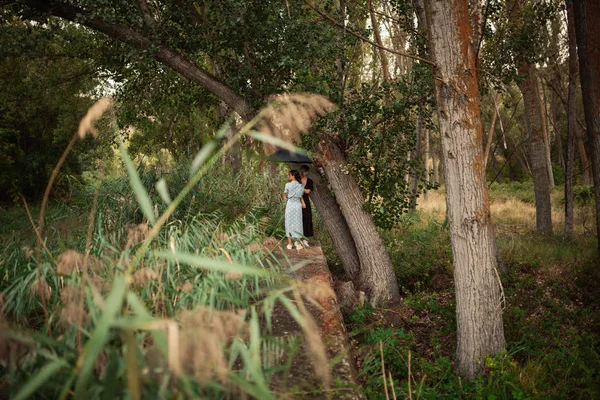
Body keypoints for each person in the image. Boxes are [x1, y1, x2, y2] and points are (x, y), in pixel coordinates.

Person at [284, 170, 306, 250]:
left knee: (289, 222)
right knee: (298, 222)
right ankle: (298, 243)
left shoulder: (287, 185)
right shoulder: (301, 186)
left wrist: (287, 196)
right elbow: (300, 196)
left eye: (289, 175)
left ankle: (290, 244)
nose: (288, 176)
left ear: (293, 176)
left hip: (290, 204)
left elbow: (286, 195)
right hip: (297, 205)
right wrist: (303, 203)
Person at [299, 165, 314, 247]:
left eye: (305, 172)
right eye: (303, 172)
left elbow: (308, 191)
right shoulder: (297, 180)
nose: (304, 173)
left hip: (306, 201)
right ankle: (299, 239)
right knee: (299, 219)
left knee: (307, 218)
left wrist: (300, 188)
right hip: (297, 201)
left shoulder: (310, 181)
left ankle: (305, 239)